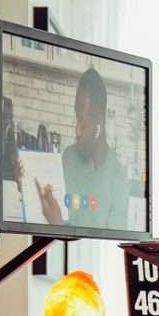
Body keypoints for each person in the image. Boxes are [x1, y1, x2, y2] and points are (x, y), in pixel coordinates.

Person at [33, 67, 130, 231]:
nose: (76, 131)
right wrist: (28, 189)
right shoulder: (69, 157)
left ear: (99, 121)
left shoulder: (117, 178)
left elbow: (110, 248)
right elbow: (49, 216)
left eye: (82, 121)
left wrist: (58, 227)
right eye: (76, 119)